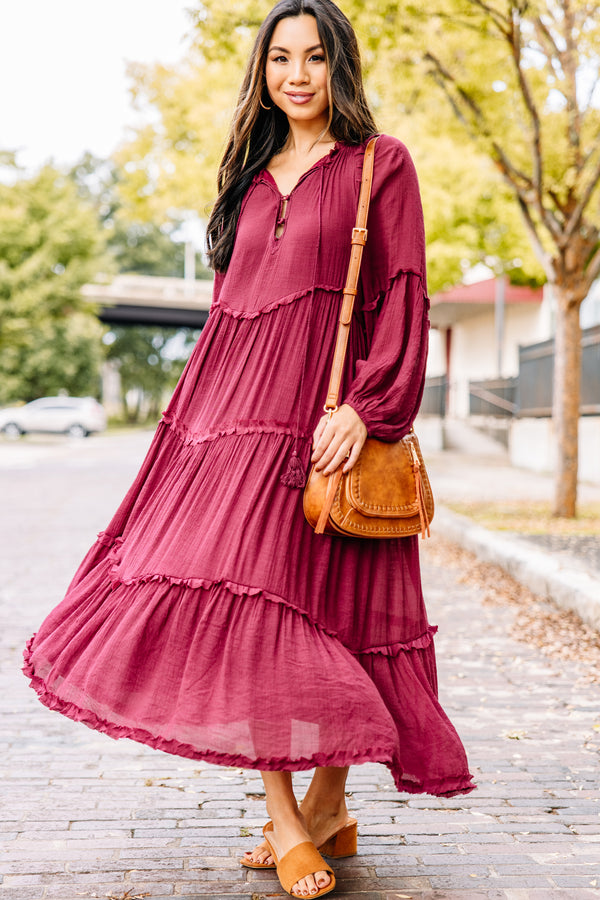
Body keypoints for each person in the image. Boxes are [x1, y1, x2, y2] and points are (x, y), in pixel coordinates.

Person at [23, 1, 474, 896]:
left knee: (347, 605)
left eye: (313, 57)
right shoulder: (248, 179)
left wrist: (371, 409)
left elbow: (404, 293)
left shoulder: (380, 165)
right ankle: (282, 815)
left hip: (328, 421)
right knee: (247, 603)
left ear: (339, 64)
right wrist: (188, 436)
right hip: (235, 424)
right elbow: (226, 317)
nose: (296, 75)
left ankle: (328, 808)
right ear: (262, 72)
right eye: (279, 59)